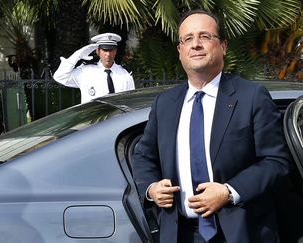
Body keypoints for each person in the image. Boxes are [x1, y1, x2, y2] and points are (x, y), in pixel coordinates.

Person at [132, 9, 291, 243]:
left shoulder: (252, 97)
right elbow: (143, 156)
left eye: (205, 36)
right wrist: (152, 188)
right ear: (180, 51)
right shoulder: (165, 104)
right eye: (187, 38)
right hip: (180, 234)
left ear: (223, 46)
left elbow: (276, 162)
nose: (195, 44)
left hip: (241, 232)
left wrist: (229, 191)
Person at [53, 33, 135, 103]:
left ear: (115, 51)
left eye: (111, 50)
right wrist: (77, 55)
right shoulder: (86, 72)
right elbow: (60, 77)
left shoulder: (125, 74)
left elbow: (131, 101)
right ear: (98, 51)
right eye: (105, 50)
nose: (108, 54)